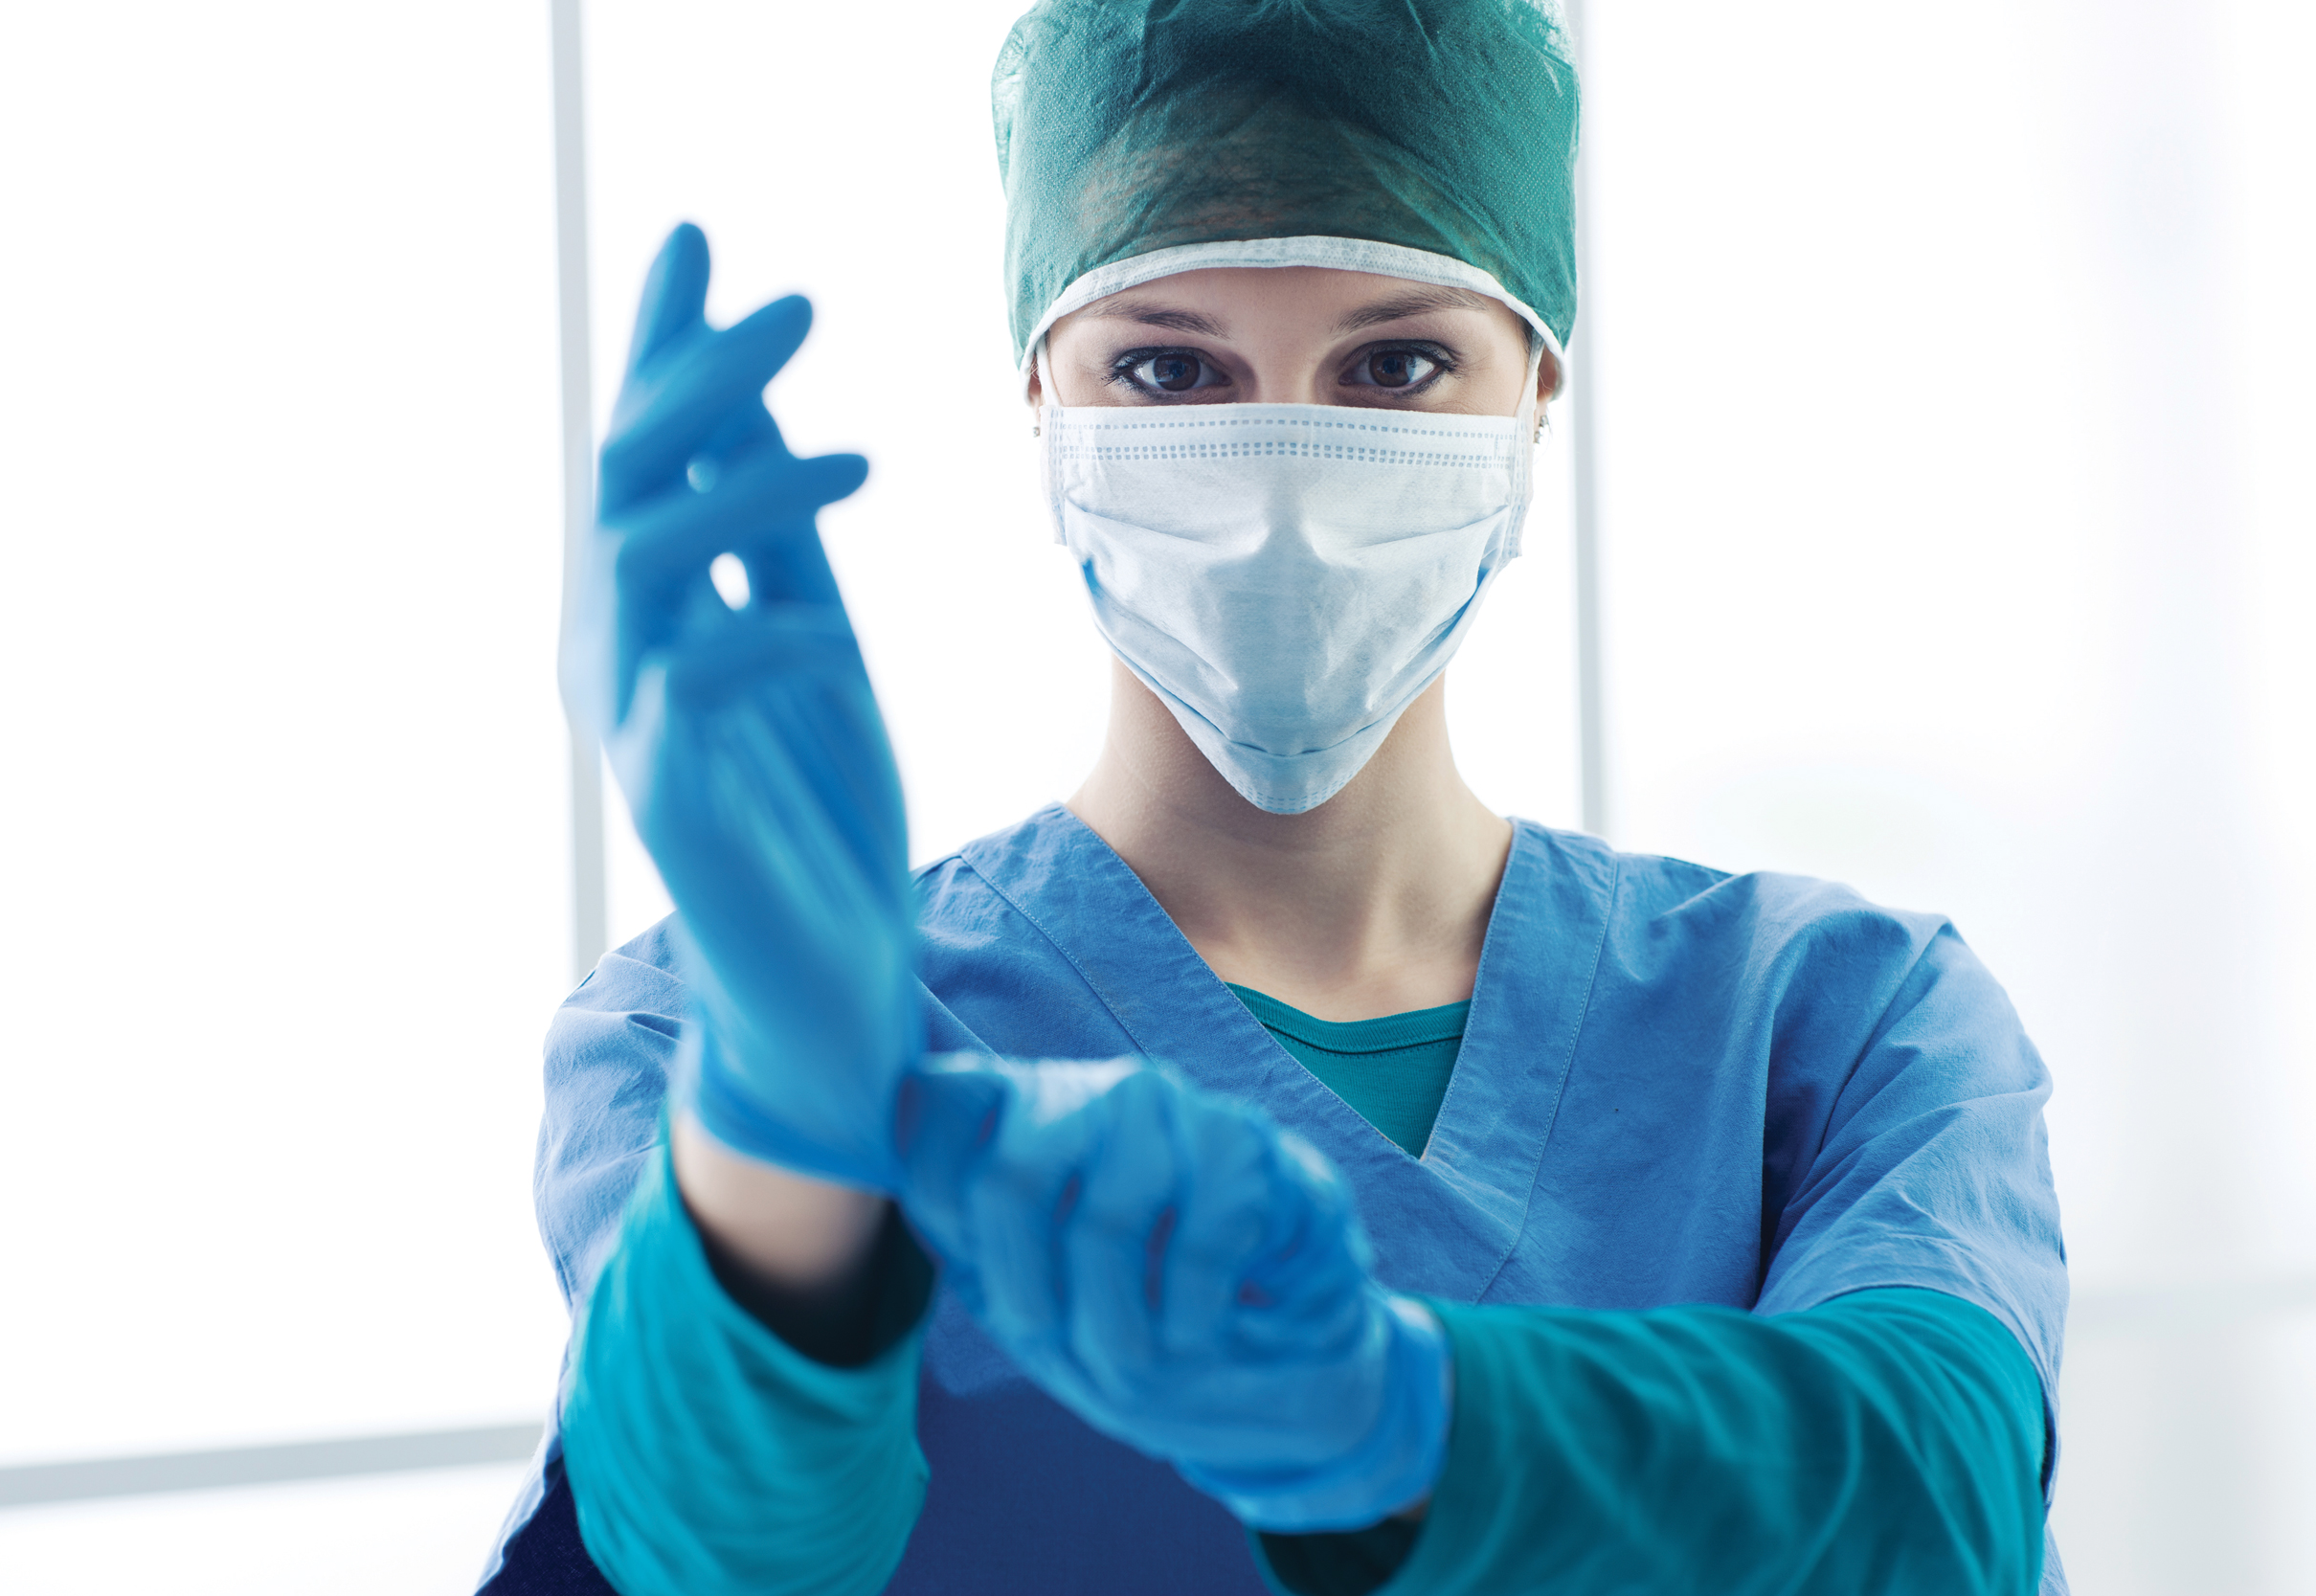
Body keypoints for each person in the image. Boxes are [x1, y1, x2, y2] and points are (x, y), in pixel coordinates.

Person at [480, 2, 2068, 1592]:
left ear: (1537, 394)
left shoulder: (1834, 1017)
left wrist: (1382, 1414)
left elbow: (1940, 1489)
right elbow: (710, 1556)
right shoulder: (703, 1038)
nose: (1284, 479)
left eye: (1397, 363)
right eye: (1168, 365)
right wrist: (791, 1127)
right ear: (1041, 395)